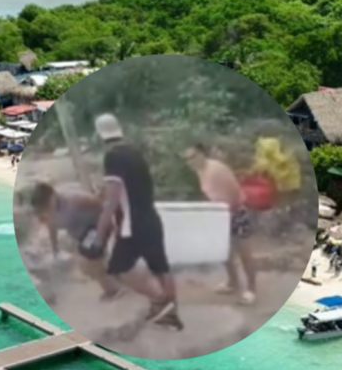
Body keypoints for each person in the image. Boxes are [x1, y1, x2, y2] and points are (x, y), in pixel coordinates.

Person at [89, 113, 183, 329]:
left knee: (119, 269)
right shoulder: (134, 152)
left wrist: (100, 234)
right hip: (151, 218)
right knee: (160, 267)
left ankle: (160, 301)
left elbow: (112, 201)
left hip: (132, 225)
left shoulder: (113, 156)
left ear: (99, 134)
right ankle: (171, 313)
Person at [184, 143, 257, 305]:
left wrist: (223, 216)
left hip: (236, 212)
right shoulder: (199, 170)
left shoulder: (216, 170)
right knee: (224, 252)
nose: (190, 161)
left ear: (203, 154)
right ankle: (233, 283)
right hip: (219, 214)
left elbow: (231, 195)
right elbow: (212, 195)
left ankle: (251, 289)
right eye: (187, 159)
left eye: (193, 156)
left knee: (244, 253)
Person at [30, 182, 122, 304]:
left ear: (53, 195)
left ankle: (112, 289)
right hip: (83, 235)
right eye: (43, 208)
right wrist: (55, 249)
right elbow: (51, 227)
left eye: (47, 205)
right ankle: (115, 275)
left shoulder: (74, 199)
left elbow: (99, 204)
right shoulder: (45, 213)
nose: (46, 210)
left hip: (96, 226)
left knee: (86, 262)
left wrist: (109, 228)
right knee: (86, 264)